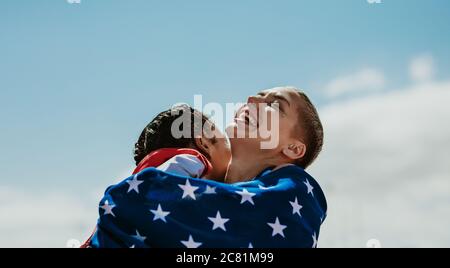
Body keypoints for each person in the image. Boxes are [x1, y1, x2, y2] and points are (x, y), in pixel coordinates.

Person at [86, 86, 327, 248]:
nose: (251, 100)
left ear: (293, 149)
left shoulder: (296, 196)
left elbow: (130, 202)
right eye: (256, 96)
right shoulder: (194, 184)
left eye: (275, 105)